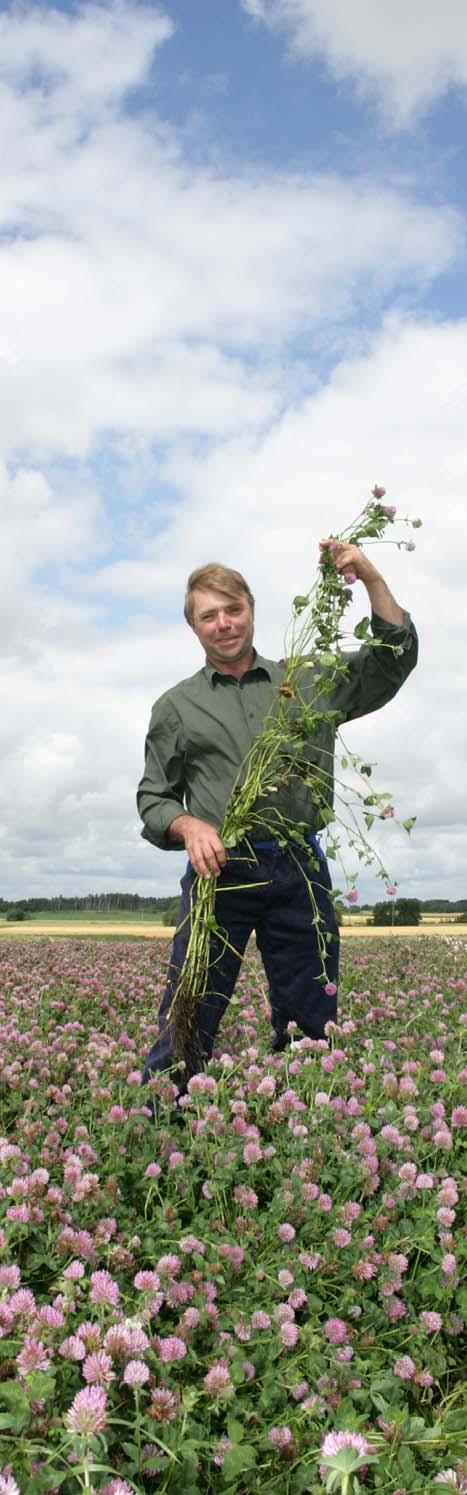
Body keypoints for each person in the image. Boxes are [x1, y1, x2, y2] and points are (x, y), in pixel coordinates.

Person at [137, 540, 418, 1088]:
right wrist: (190, 825)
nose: (223, 624)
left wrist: (369, 575)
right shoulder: (175, 707)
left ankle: (304, 1125)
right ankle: (158, 1123)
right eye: (208, 616)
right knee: (188, 1014)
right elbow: (155, 799)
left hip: (299, 870)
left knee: (311, 1017)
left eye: (232, 609)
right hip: (221, 872)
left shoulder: (310, 680)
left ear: (251, 610)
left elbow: (392, 659)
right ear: (193, 627)